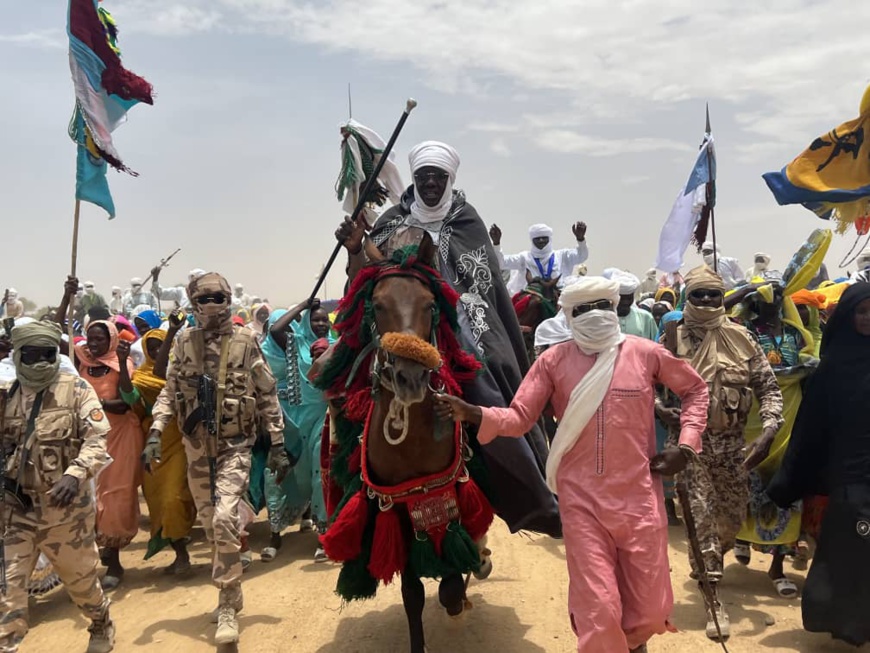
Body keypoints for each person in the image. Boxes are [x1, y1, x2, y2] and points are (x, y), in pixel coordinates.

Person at [434, 276, 709, 653]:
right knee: (600, 610)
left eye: (602, 306)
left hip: (639, 501)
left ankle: (629, 644)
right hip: (582, 503)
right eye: (583, 309)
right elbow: (519, 417)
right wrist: (474, 413)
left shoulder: (646, 354)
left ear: (614, 309)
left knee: (648, 612)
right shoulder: (552, 361)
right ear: (569, 315)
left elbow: (696, 389)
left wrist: (687, 445)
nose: (594, 314)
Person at [335, 140, 562, 538]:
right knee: (340, 381)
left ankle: (531, 496)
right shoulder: (391, 221)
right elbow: (366, 281)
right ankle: (346, 493)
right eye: (423, 177)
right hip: (401, 321)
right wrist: (356, 248)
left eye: (437, 177)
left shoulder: (467, 221)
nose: (430, 184)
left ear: (449, 179)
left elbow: (483, 286)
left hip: (459, 321)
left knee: (487, 380)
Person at [143, 272, 290, 646]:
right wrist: (156, 431)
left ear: (227, 300)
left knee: (225, 517)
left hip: (234, 446)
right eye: (203, 299)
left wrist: (277, 444)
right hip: (196, 448)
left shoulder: (245, 342)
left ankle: (226, 603)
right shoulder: (184, 343)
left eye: (217, 298)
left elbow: (267, 393)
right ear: (193, 302)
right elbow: (169, 391)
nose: (210, 305)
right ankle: (233, 589)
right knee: (212, 526)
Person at [660, 266, 783, 639]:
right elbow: (642, 385)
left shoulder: (743, 339)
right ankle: (712, 596)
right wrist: (658, 408)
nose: (706, 300)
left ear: (722, 297)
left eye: (713, 294)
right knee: (700, 520)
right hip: (688, 445)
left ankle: (712, 561)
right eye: (698, 294)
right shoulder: (671, 339)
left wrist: (769, 430)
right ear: (688, 297)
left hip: (733, 447)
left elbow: (768, 388)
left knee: (730, 522)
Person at [0, 321, 116, 653]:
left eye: (48, 355)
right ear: (18, 356)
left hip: (65, 513)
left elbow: (97, 440)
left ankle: (100, 623)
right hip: (18, 511)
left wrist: (76, 473)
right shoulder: (6, 395)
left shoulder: (76, 389)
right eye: (32, 355)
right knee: (8, 592)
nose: (40, 363)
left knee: (82, 585)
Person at [767, 283, 870, 647]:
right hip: (849, 475)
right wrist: (788, 481)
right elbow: (810, 429)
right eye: (861, 311)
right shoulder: (832, 368)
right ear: (847, 317)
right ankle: (847, 622)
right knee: (854, 545)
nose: (868, 318)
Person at [733, 275, 813, 598]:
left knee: (786, 484)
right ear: (754, 301)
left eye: (777, 295)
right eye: (764, 296)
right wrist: (747, 289)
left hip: (790, 414)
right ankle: (740, 537)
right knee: (747, 480)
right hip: (754, 415)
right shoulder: (744, 331)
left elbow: (808, 360)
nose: (772, 302)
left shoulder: (795, 333)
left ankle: (777, 565)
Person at [256, 299, 334, 563]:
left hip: (321, 418)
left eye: (324, 319)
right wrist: (303, 305)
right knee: (275, 475)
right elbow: (276, 329)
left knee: (320, 474)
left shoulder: (334, 346)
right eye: (315, 319)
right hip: (288, 422)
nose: (321, 324)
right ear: (305, 323)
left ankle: (323, 536)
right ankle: (275, 535)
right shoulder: (294, 343)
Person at [74, 321, 145, 589]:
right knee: (91, 499)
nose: (93, 344)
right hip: (90, 439)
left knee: (114, 498)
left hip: (120, 436)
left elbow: (126, 401)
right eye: (90, 339)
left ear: (111, 341)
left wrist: (95, 404)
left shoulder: (121, 364)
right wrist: (66, 301)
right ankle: (97, 553)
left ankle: (114, 561)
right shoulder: (81, 363)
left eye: (99, 339)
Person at [123, 319, 196, 573]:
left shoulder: (180, 372)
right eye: (151, 348)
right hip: (154, 443)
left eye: (160, 346)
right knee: (157, 501)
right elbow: (129, 398)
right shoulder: (140, 377)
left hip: (181, 440)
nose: (156, 352)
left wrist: (173, 330)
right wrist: (121, 363)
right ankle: (180, 552)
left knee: (174, 497)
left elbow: (165, 375)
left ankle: (184, 551)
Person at [490, 222, 589, 296]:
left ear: (549, 239)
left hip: (559, 300)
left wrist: (580, 239)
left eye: (544, 238)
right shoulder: (524, 257)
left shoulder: (562, 255)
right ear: (532, 240)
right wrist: (496, 243)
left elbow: (582, 256)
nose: (541, 241)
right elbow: (501, 263)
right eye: (537, 238)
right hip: (530, 300)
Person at [605, 269, 659, 340]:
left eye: (629, 298)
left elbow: (655, 343)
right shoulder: (604, 319)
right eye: (621, 298)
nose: (625, 302)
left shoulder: (646, 317)